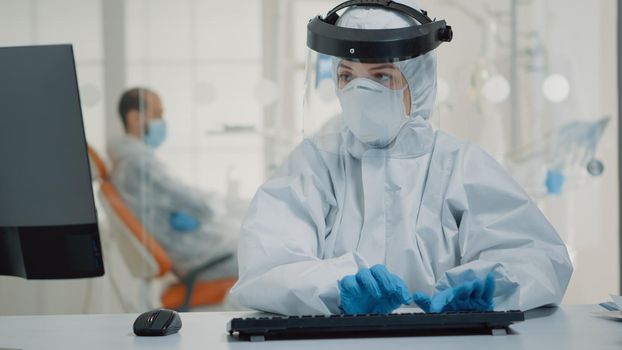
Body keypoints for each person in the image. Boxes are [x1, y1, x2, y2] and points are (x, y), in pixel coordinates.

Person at [229, 0, 573, 315]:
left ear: (419, 82)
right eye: (346, 75)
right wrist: (339, 289)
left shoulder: (459, 164)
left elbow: (537, 257)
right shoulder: (315, 162)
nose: (360, 92)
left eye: (381, 76)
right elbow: (267, 265)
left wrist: (488, 289)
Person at [108, 87, 238, 282]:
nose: (162, 122)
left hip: (200, 249)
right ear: (135, 118)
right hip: (199, 256)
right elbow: (203, 206)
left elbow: (180, 199)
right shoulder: (138, 164)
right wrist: (216, 201)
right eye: (157, 114)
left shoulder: (131, 161)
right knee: (269, 253)